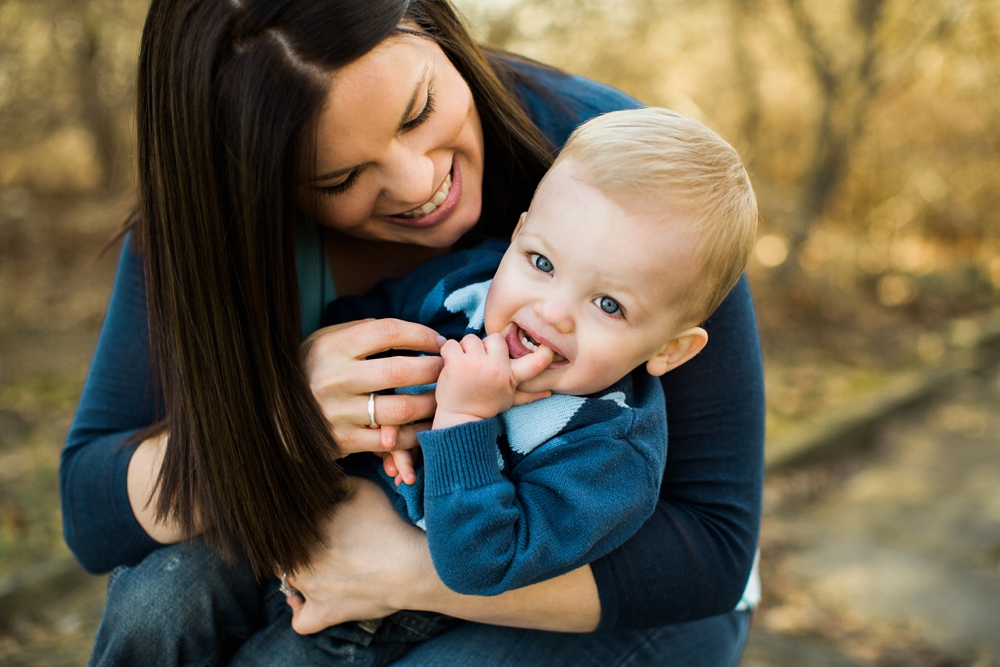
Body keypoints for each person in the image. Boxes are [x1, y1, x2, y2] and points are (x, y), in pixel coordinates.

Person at [63, 1, 765, 666]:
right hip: (332, 528)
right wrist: (278, 429)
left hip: (615, 592)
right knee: (160, 599)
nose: (421, 181)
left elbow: (712, 546)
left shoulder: (635, 183)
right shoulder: (206, 230)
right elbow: (92, 510)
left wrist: (409, 570)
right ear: (252, 182)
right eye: (340, 175)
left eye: (420, 110)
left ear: (436, 26)